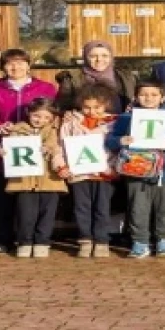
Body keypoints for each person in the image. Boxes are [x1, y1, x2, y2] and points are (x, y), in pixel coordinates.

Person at [0, 48, 58, 253]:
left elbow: (55, 114)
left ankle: (31, 238)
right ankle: (4, 238)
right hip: (3, 149)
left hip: (38, 153)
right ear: (3, 67)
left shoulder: (47, 88)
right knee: (4, 196)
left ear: (29, 65)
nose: (16, 67)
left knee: (31, 198)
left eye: (21, 63)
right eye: (10, 63)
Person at [106, 79, 165, 259]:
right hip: (136, 170)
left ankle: (164, 240)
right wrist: (120, 141)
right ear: (136, 96)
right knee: (137, 207)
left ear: (163, 97)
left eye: (154, 95)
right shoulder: (127, 117)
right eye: (143, 94)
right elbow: (111, 139)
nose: (148, 98)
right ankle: (140, 241)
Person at [54, 84, 121, 259]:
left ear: (105, 104)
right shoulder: (70, 124)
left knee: (102, 208)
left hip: (103, 174)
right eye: (87, 107)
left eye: (97, 107)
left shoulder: (114, 123)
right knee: (81, 208)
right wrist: (61, 166)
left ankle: (101, 241)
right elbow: (60, 147)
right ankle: (85, 240)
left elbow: (117, 151)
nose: (91, 111)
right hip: (79, 174)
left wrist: (113, 168)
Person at [0, 98, 67, 259]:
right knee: (25, 215)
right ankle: (24, 242)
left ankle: (42, 242)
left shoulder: (53, 131)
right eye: (37, 116)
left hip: (49, 181)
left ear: (52, 119)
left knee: (46, 215)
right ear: (29, 113)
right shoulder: (17, 130)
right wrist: (1, 151)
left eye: (46, 117)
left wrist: (49, 149)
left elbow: (56, 148)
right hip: (23, 181)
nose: (40, 120)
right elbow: (7, 146)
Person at [55, 40, 137, 114]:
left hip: (120, 124)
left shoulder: (125, 77)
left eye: (104, 56)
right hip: (85, 126)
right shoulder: (71, 78)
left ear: (111, 57)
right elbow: (62, 106)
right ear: (86, 58)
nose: (99, 59)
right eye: (93, 56)